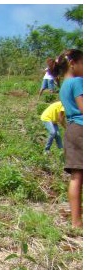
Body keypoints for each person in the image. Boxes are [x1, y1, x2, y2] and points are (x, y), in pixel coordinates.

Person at [50, 49, 83, 228]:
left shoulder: (64, 85)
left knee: (76, 177)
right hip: (82, 128)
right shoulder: (78, 82)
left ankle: (76, 222)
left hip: (72, 129)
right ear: (73, 64)